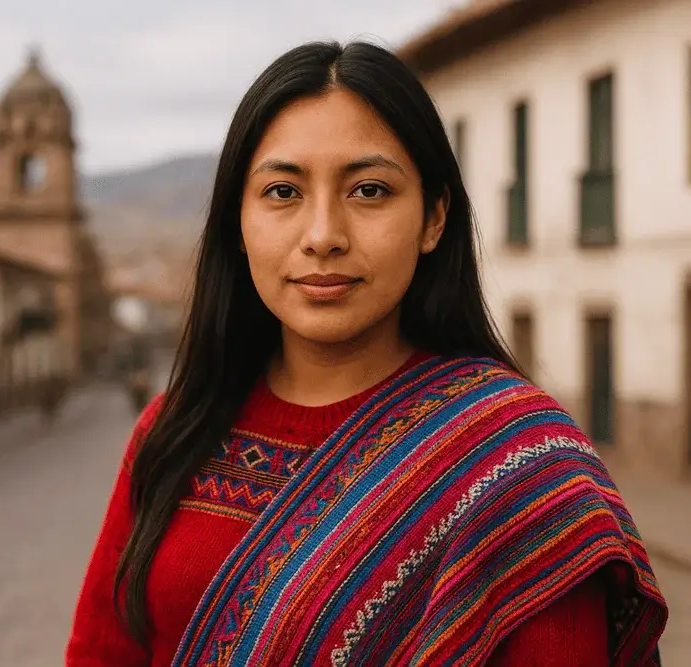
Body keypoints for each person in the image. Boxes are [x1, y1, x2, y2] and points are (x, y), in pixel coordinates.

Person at [66, 41, 668, 666]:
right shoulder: (174, 435)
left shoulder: (521, 471)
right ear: (236, 223)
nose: (323, 235)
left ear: (434, 218)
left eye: (370, 190)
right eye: (282, 192)